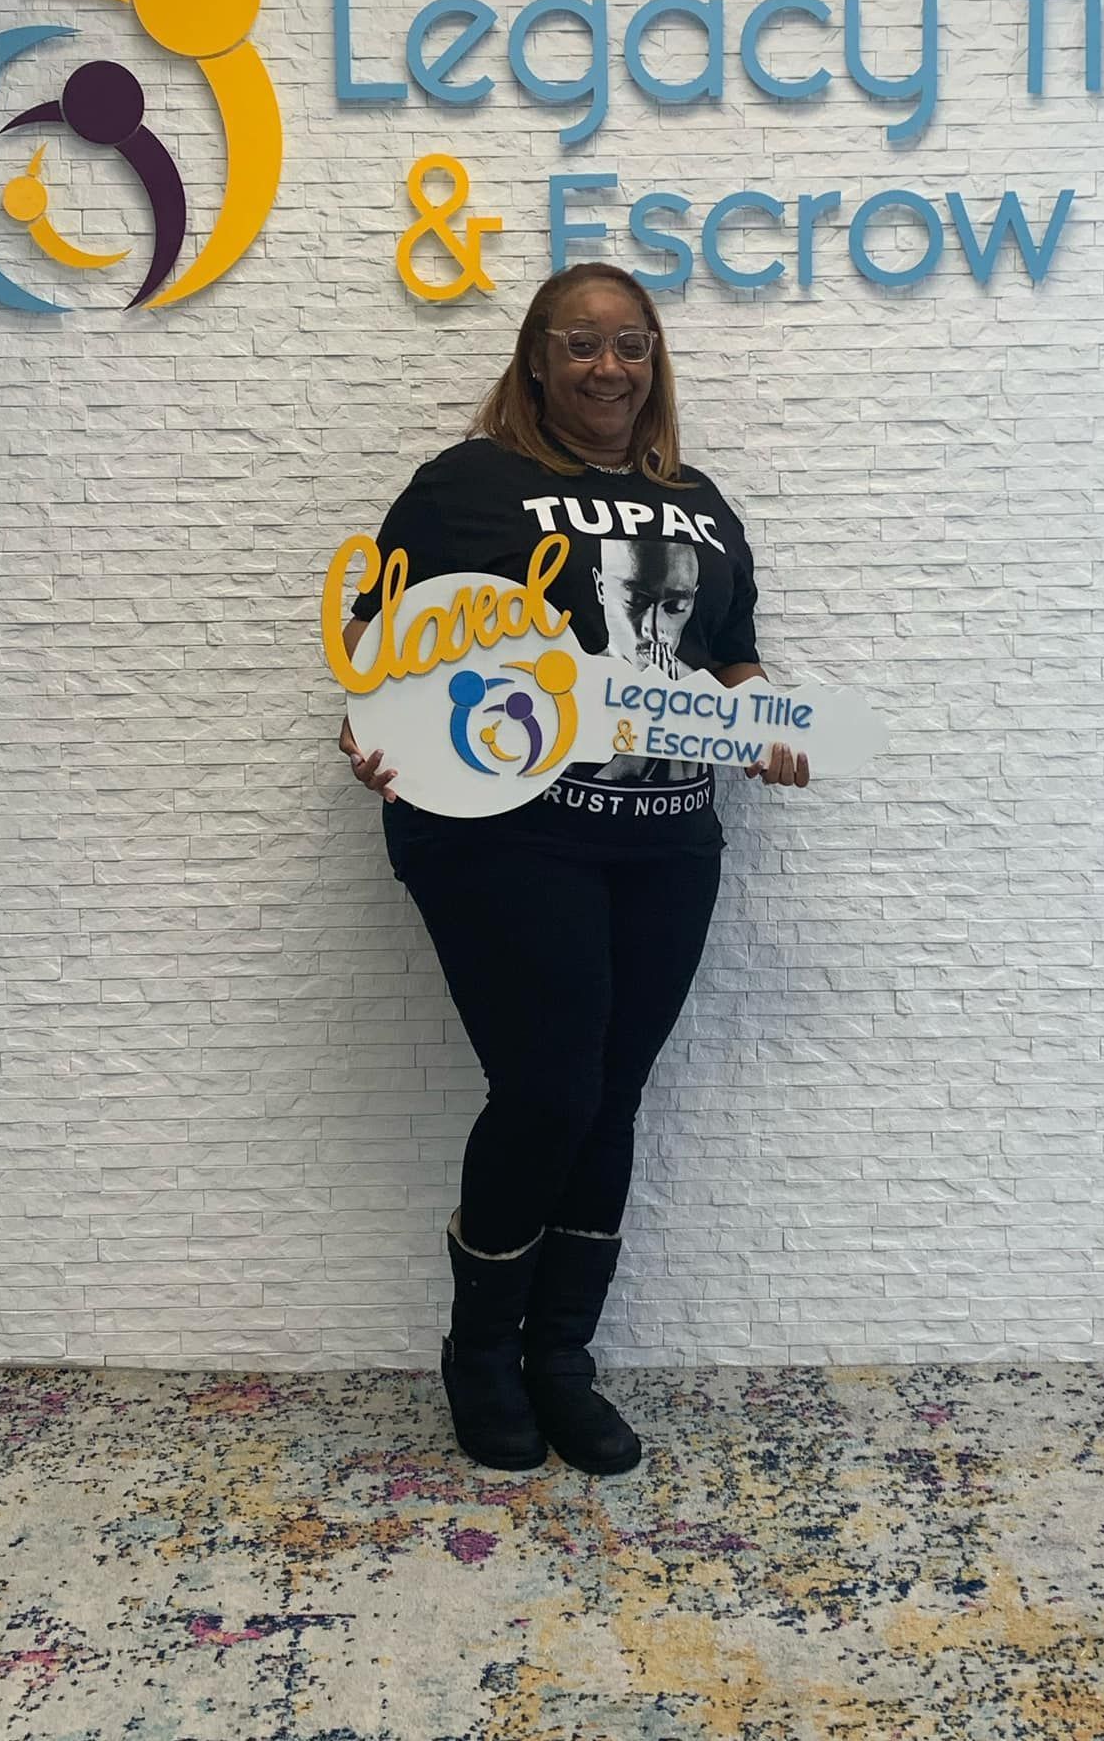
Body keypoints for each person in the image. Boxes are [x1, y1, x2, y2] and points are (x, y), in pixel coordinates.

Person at [336, 261, 810, 1479]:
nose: (610, 366)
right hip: (508, 836)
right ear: (537, 361)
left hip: (666, 838)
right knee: (548, 1090)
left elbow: (730, 652)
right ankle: (480, 1355)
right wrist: (370, 730)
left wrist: (765, 721)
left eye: (632, 344)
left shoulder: (698, 500)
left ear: (655, 362)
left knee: (610, 1095)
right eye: (582, 343)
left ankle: (561, 1357)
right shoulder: (466, 485)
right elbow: (379, 644)